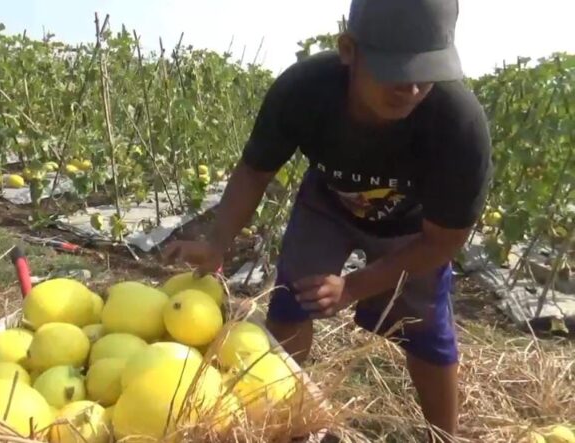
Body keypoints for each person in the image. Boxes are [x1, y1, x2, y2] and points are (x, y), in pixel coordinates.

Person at [163, 0, 492, 438]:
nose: (411, 89)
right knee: (292, 298)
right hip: (327, 204)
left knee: (426, 329)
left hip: (413, 229)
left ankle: (445, 435)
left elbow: (444, 240)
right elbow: (255, 170)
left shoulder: (458, 123)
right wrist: (218, 240)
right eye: (395, 71)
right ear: (348, 49)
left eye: (426, 73)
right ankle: (285, 415)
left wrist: (355, 287)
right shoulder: (304, 91)